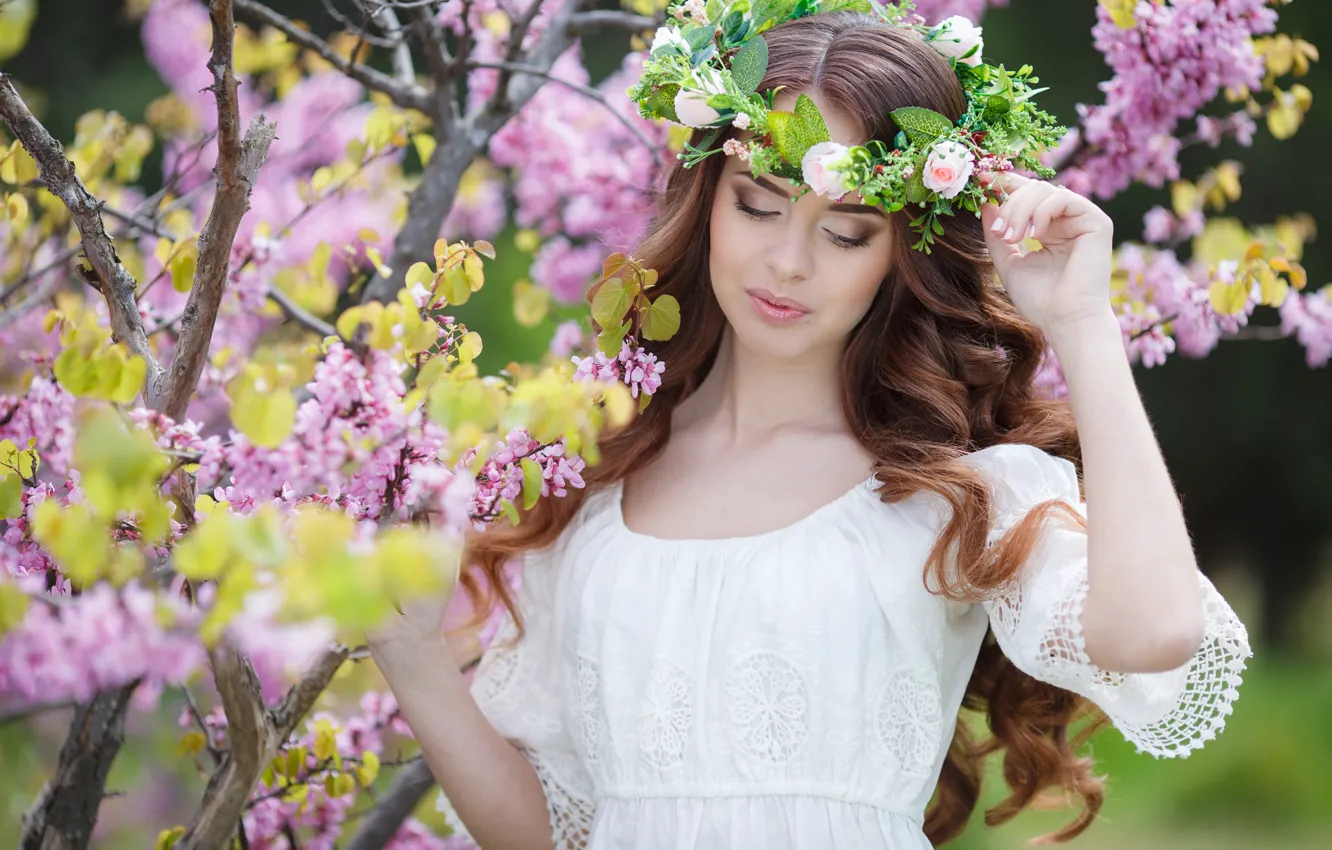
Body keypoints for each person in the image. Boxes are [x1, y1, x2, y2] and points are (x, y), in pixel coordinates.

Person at [368, 4, 1252, 849]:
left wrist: (1085, 326)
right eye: (757, 203)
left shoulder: (952, 494)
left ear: (901, 255)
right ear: (707, 194)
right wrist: (412, 657)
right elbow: (561, 832)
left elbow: (1155, 633)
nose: (787, 262)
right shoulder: (592, 485)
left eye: (847, 232)